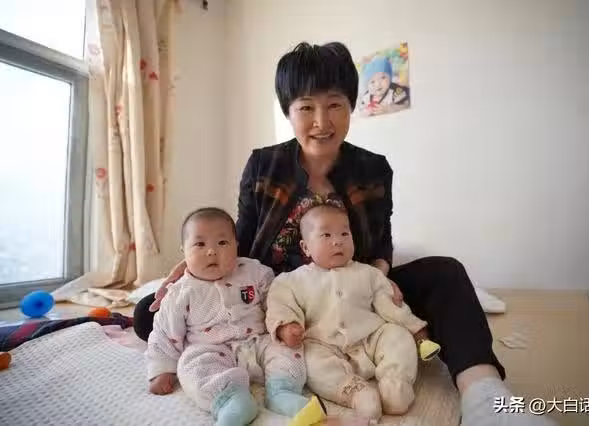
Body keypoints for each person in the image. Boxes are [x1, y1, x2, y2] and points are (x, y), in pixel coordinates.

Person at [135, 41, 554, 426]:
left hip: (354, 289)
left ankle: (485, 397)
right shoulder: (263, 164)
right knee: (147, 314)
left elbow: (381, 240)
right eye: (306, 107)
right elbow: (242, 238)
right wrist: (195, 268)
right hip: (276, 298)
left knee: (445, 273)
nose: (322, 122)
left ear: (351, 106)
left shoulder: (373, 168)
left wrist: (382, 277)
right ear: (288, 111)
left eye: (334, 104)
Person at [267, 204, 440, 420]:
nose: (337, 241)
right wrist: (286, 326)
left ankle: (395, 385)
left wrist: (415, 329)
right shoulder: (292, 281)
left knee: (397, 336)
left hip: (370, 338)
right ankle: (355, 392)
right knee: (309, 360)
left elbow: (390, 307)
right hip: (324, 343)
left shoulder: (368, 274)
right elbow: (280, 304)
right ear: (306, 247)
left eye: (344, 233)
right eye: (326, 235)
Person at [144, 207, 309, 425]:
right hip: (211, 348)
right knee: (192, 364)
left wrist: (283, 326)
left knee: (287, 350)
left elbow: (276, 300)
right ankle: (231, 400)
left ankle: (282, 391)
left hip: (259, 340)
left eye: (222, 243)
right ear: (183, 251)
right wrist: (162, 369)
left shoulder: (254, 272)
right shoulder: (180, 292)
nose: (211, 251)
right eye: (200, 244)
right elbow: (165, 333)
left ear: (236, 245)